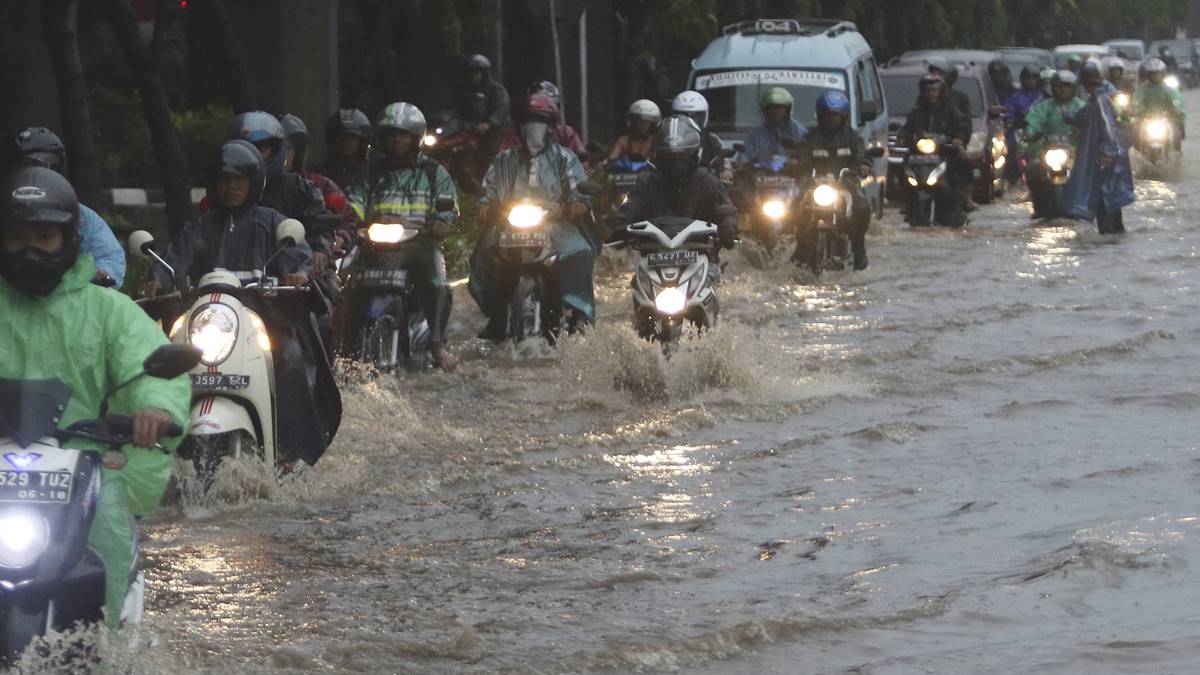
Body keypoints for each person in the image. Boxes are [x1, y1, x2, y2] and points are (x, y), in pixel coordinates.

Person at [0, 166, 190, 630]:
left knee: (105, 531)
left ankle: (105, 651)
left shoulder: (108, 311)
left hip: (84, 469)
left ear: (67, 240)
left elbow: (148, 362)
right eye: (17, 237)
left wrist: (155, 409)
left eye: (43, 236)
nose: (29, 249)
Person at [142, 140, 340, 467]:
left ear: (254, 182)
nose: (231, 187)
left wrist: (299, 275)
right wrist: (157, 280)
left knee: (289, 358)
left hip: (263, 325)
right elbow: (172, 261)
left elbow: (298, 258)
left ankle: (290, 450)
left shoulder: (273, 222)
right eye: (224, 180)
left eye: (239, 179)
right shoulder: (200, 228)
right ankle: (158, 450)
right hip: (208, 326)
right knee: (160, 360)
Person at [469, 93, 594, 342]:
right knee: (481, 254)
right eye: (529, 120)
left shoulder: (565, 158)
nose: (534, 127)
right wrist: (485, 207)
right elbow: (489, 191)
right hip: (508, 225)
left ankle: (580, 312)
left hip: (556, 225)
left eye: (541, 120)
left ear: (551, 127)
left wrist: (577, 204)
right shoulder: (503, 159)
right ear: (519, 125)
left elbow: (578, 189)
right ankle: (495, 315)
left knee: (581, 251)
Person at [345, 102, 460, 371]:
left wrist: (442, 221)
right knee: (344, 281)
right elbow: (355, 201)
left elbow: (448, 203)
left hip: (418, 243)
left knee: (436, 281)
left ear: (415, 137)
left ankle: (436, 344)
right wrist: (348, 219)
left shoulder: (433, 172)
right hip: (375, 244)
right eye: (392, 133)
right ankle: (346, 346)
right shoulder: (371, 172)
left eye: (404, 134)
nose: (398, 139)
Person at [615, 115, 738, 283]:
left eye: (682, 158)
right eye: (669, 158)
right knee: (636, 285)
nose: (675, 165)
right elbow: (630, 207)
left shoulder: (708, 182)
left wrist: (728, 227)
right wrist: (619, 225)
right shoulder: (646, 183)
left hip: (702, 260)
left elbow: (725, 208)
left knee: (714, 285)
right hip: (652, 261)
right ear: (658, 157)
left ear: (695, 155)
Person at [5, 127, 126, 287]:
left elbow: (109, 256)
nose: (30, 176)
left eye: (45, 236)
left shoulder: (82, 217)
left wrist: (102, 274)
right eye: (16, 237)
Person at [229, 112, 338, 276]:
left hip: (293, 279)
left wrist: (318, 251)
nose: (251, 155)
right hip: (232, 280)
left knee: (328, 292)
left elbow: (320, 226)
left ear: (276, 151)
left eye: (260, 148)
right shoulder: (224, 191)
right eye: (244, 148)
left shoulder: (300, 188)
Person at [797, 91, 871, 269]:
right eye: (827, 114)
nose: (831, 119)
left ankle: (859, 247)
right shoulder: (811, 137)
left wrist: (864, 165)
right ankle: (800, 245)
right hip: (816, 183)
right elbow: (801, 155)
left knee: (862, 205)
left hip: (846, 182)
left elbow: (863, 156)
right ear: (820, 115)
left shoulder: (853, 137)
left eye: (835, 115)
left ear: (843, 116)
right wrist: (796, 163)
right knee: (795, 203)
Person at [1061, 62, 1135, 234]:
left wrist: (1107, 152)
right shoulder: (1098, 99)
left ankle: (1109, 235)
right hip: (1109, 155)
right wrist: (1067, 116)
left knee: (1105, 197)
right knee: (1110, 196)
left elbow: (1107, 128)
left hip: (1106, 157)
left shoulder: (1101, 100)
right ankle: (1116, 235)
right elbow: (1083, 117)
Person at [898, 74, 972, 226]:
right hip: (918, 158)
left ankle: (959, 205)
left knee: (963, 166)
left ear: (941, 92)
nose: (931, 93)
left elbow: (962, 127)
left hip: (944, 156)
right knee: (902, 170)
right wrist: (903, 137)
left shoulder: (951, 111)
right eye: (928, 90)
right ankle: (908, 203)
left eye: (935, 90)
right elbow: (906, 129)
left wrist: (959, 139)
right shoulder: (916, 112)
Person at [1021, 71, 1085, 218]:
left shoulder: (1082, 106)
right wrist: (1030, 132)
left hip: (1075, 151)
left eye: (1067, 87)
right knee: (1032, 168)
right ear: (1053, 88)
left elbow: (1091, 124)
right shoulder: (1043, 107)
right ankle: (1039, 204)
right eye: (1059, 86)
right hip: (1047, 151)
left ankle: (1085, 203)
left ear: (1073, 88)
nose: (1063, 90)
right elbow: (1033, 121)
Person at [500, 81, 587, 155]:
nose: (536, 124)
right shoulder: (512, 135)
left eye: (543, 119)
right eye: (532, 118)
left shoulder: (566, 134)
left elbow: (582, 164)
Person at [455, 54, 511, 162]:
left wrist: (489, 123)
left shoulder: (497, 90)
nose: (473, 76)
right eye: (470, 72)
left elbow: (501, 109)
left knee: (489, 154)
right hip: (470, 128)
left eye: (476, 72)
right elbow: (454, 109)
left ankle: (492, 174)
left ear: (484, 73)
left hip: (495, 131)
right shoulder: (463, 91)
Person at [742, 87, 808, 166]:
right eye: (772, 108)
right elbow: (743, 159)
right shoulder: (754, 135)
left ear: (788, 110)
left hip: (793, 175)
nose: (776, 111)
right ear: (765, 110)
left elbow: (807, 160)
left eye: (780, 107)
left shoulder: (798, 132)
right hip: (760, 175)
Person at [1003, 66, 1047, 184]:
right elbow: (1008, 113)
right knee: (1010, 149)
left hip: (1042, 135)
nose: (1031, 81)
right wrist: (1011, 121)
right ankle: (1012, 178)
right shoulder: (1015, 97)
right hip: (1020, 134)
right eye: (1028, 78)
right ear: (1023, 80)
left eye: (1034, 78)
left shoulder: (1045, 97)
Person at [1133, 57, 1186, 149]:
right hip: (1146, 118)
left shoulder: (1169, 88)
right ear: (1148, 74)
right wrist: (1135, 108)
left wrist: (1176, 109)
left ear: (1163, 73)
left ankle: (1176, 153)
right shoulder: (1142, 88)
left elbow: (1176, 99)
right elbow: (1137, 99)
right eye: (1153, 73)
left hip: (1167, 118)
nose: (1156, 75)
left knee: (1176, 133)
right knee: (1135, 132)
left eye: (1158, 72)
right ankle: (1138, 151)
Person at [317, 108, 372, 194]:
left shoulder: (371, 172)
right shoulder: (320, 172)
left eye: (351, 137)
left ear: (362, 141)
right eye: (341, 137)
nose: (346, 143)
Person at [671, 90, 725, 172]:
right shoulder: (669, 139)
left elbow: (722, 171)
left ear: (705, 117)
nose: (690, 122)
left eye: (696, 117)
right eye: (683, 116)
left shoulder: (712, 141)